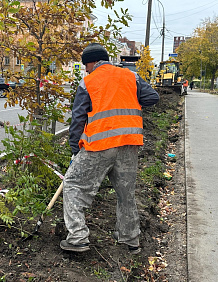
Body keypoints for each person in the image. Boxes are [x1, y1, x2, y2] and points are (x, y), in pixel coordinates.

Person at [60, 43, 159, 254]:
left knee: (73, 185)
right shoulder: (130, 76)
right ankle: (130, 239)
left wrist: (74, 150)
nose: (85, 69)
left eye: (86, 65)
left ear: (92, 62)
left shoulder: (88, 82)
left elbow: (78, 118)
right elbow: (152, 97)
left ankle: (77, 237)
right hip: (129, 144)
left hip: (100, 144)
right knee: (126, 193)